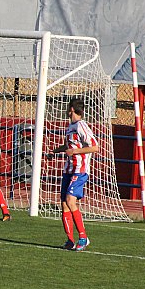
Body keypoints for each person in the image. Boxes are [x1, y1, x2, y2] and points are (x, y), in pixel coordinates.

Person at [49, 98, 98, 252]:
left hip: (80, 169)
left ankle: (83, 237)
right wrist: (54, 152)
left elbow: (95, 147)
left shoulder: (81, 126)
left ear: (71, 109)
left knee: (71, 201)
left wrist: (75, 151)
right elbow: (68, 146)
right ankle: (70, 240)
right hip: (69, 170)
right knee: (64, 203)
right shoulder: (70, 126)